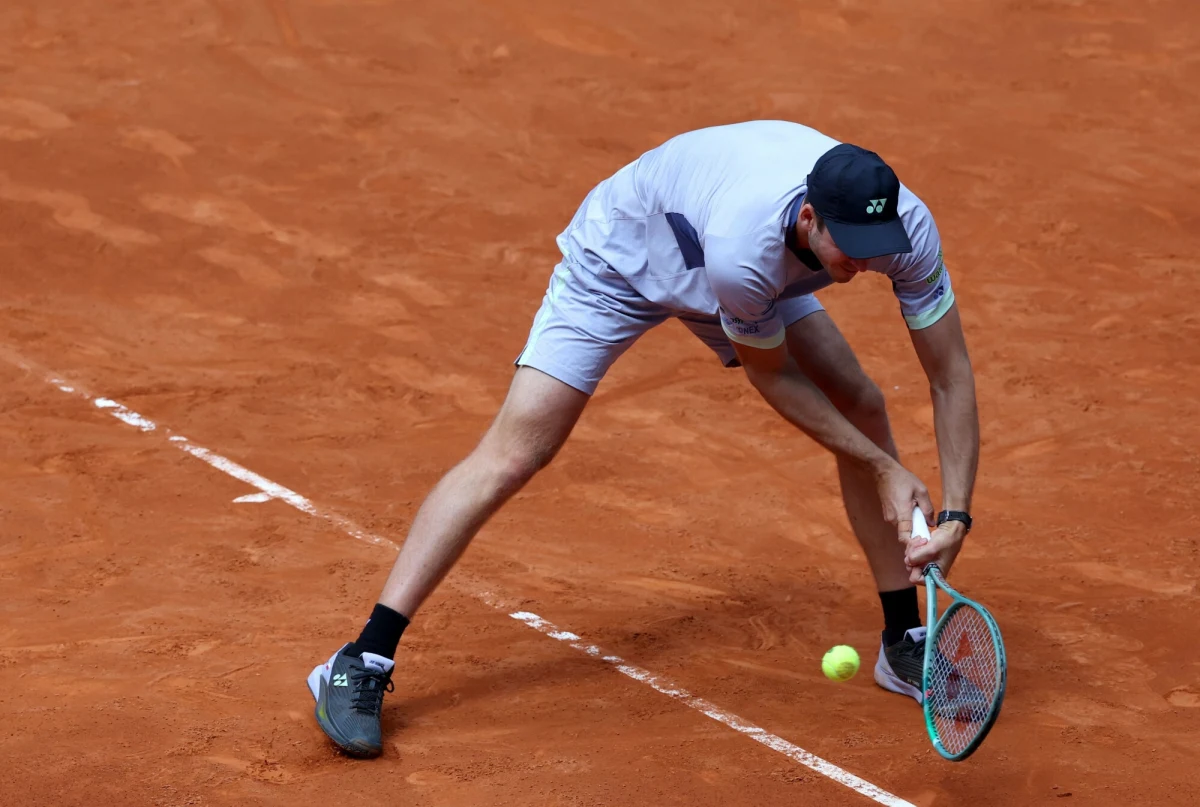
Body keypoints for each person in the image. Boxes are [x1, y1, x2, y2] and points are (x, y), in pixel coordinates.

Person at [305, 120, 979, 758]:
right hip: (623, 258)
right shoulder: (745, 256)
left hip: (740, 257)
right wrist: (881, 465)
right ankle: (362, 655)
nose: (865, 264)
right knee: (517, 451)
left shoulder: (899, 230)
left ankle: (904, 637)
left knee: (861, 401)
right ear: (810, 217)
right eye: (851, 251)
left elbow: (949, 374)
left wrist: (955, 512)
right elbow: (773, 378)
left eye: (876, 247)